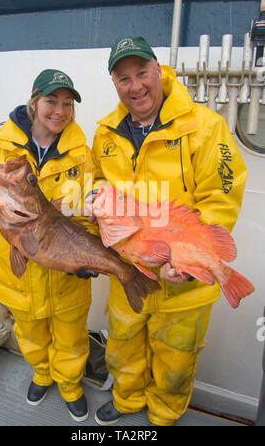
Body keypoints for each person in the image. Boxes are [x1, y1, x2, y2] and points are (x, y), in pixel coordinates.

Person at [86, 36, 248, 426]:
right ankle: (126, 400)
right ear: (114, 83)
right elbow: (96, 181)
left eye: (142, 73)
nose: (135, 86)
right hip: (130, 269)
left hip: (183, 280)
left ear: (159, 70)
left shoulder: (206, 127)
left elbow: (221, 198)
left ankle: (162, 415)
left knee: (176, 357)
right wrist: (93, 199)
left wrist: (189, 260)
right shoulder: (105, 134)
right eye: (124, 78)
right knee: (123, 346)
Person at [0, 69, 97, 422]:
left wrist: (86, 254)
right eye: (52, 101)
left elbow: (87, 213)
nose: (60, 110)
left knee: (71, 335)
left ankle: (70, 385)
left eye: (68, 104)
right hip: (18, 268)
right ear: (34, 103)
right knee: (29, 331)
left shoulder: (83, 155)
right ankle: (41, 373)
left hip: (66, 271)